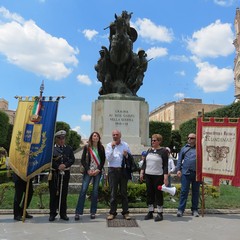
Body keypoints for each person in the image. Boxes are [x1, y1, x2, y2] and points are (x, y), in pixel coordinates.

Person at [75, 132, 105, 220]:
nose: (95, 137)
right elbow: (83, 160)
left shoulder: (101, 148)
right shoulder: (87, 147)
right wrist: (88, 169)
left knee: (95, 192)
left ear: (99, 138)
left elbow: (103, 160)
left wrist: (98, 169)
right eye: (94, 136)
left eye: (97, 136)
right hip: (88, 171)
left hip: (97, 172)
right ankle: (78, 212)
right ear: (91, 138)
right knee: (83, 190)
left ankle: (93, 212)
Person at [140, 134, 168, 222]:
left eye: (155, 140)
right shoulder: (149, 150)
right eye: (152, 140)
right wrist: (142, 172)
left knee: (158, 194)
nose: (152, 142)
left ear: (159, 141)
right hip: (148, 175)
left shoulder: (163, 151)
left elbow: (166, 165)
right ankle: (150, 211)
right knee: (149, 193)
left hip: (158, 175)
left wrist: (165, 176)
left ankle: (160, 213)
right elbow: (145, 162)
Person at [48, 130, 75, 221]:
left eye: (63, 138)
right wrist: (58, 166)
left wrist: (65, 165)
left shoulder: (69, 148)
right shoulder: (52, 149)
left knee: (63, 194)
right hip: (55, 174)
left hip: (65, 174)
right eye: (59, 138)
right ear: (56, 139)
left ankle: (63, 213)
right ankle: (52, 213)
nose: (61, 140)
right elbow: (49, 160)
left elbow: (72, 159)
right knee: (53, 194)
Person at [105, 129, 132, 220]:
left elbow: (130, 158)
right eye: (113, 135)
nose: (115, 136)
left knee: (124, 192)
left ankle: (125, 212)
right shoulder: (109, 145)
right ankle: (112, 212)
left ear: (120, 136)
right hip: (112, 171)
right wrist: (112, 148)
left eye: (116, 134)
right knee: (113, 193)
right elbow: (108, 159)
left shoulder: (125, 145)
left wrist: (126, 155)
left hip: (123, 171)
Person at [176, 133, 200, 217]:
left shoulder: (200, 148)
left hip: (197, 173)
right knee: (184, 191)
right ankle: (180, 210)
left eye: (192, 138)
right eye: (188, 137)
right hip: (186, 172)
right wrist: (178, 170)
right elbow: (179, 160)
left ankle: (195, 209)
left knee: (196, 192)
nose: (189, 139)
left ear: (196, 139)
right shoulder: (184, 149)